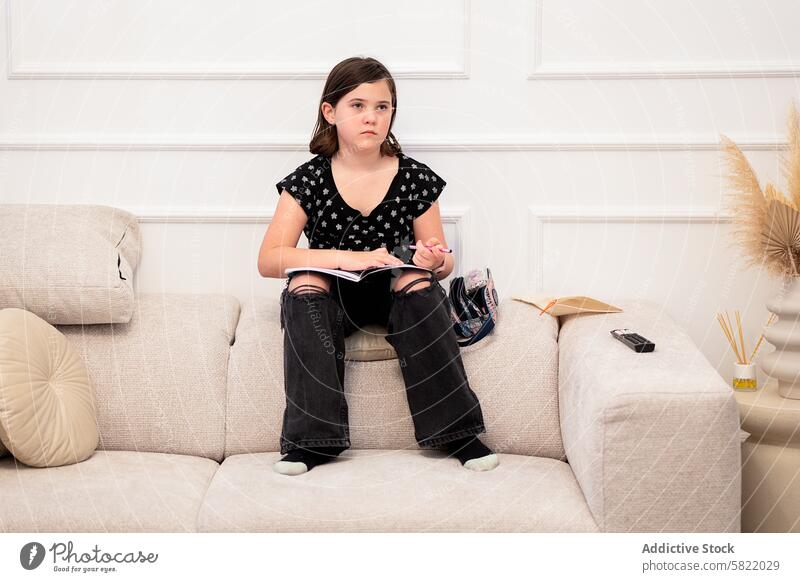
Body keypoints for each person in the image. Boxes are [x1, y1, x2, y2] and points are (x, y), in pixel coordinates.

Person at [258, 56, 498, 476]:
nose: (371, 117)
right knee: (305, 283)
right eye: (357, 105)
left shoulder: (414, 178)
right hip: (334, 299)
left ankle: (457, 432)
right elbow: (270, 259)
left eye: (382, 107)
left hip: (393, 298)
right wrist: (352, 258)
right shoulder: (308, 180)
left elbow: (440, 257)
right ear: (330, 112)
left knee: (417, 281)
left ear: (392, 113)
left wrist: (435, 260)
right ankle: (312, 441)